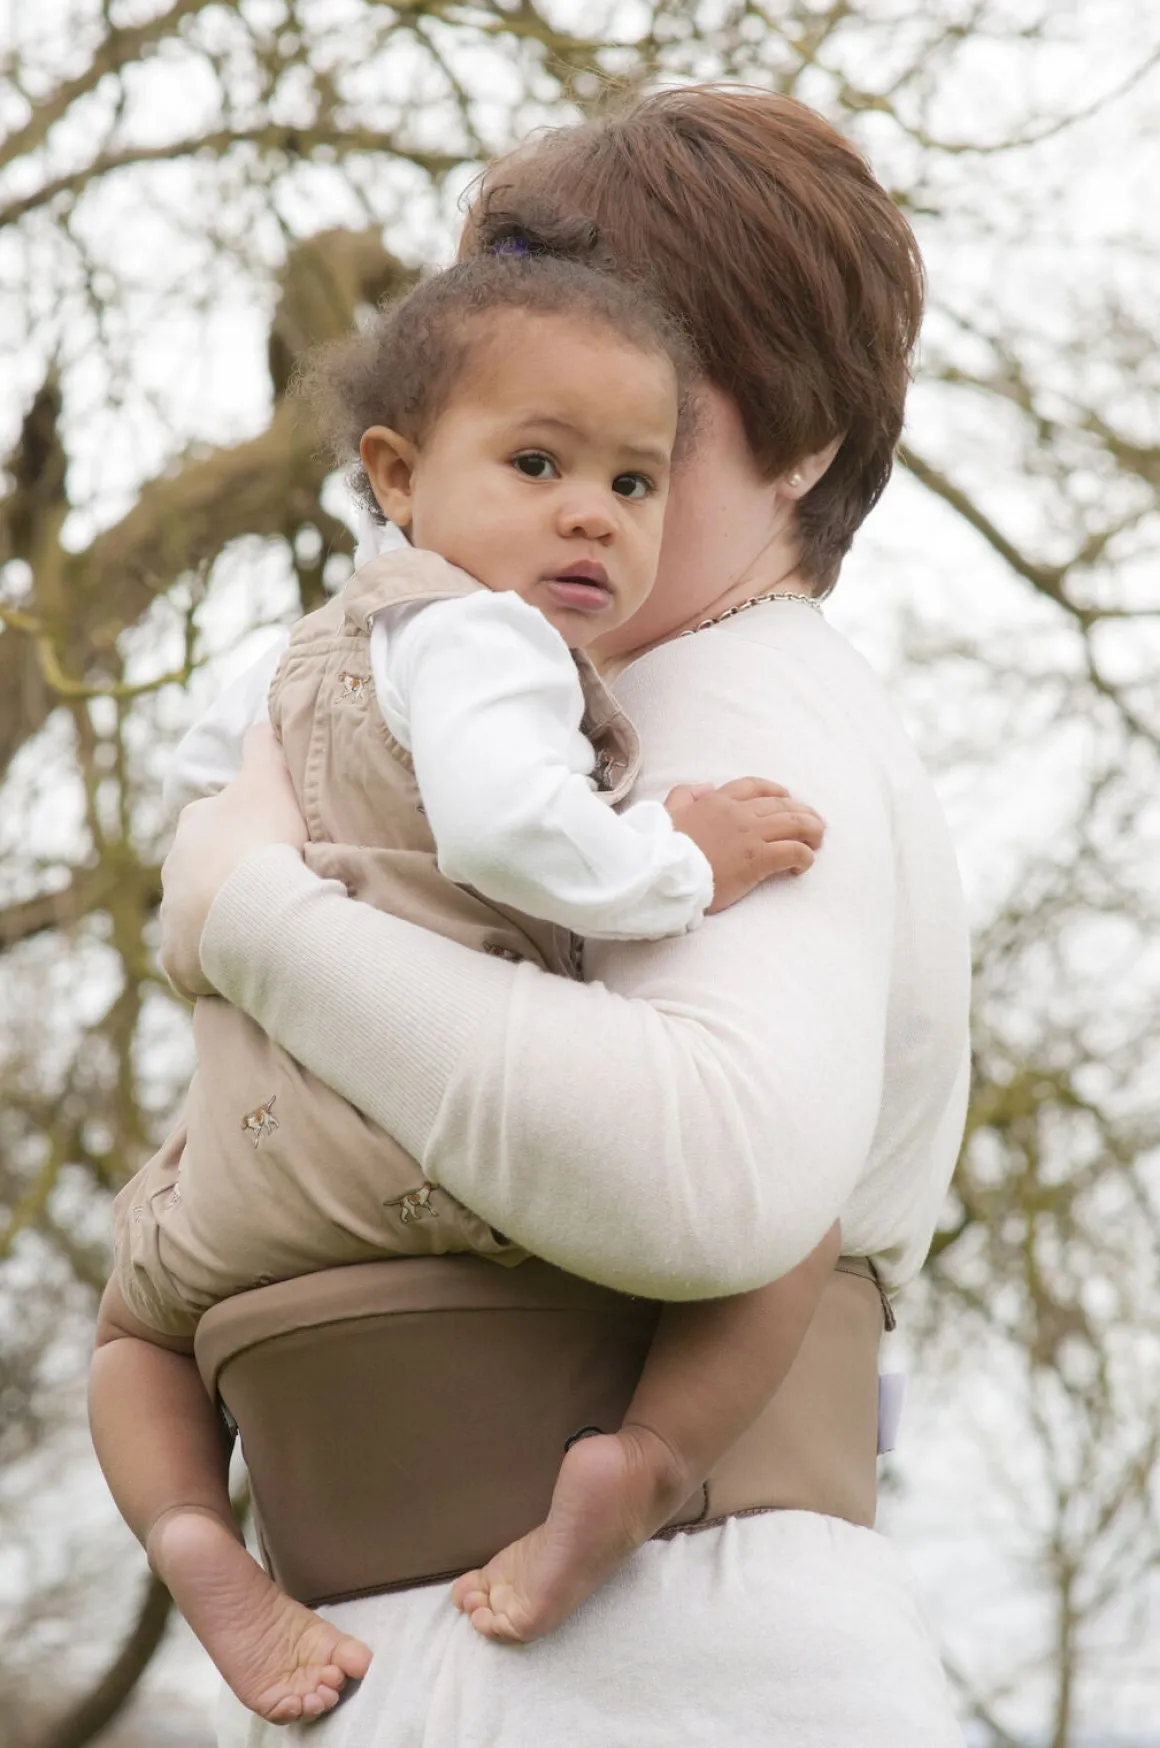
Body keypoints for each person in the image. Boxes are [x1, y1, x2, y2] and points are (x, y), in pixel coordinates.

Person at [153, 85, 972, 1748]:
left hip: (665, 1659)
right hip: (488, 1654)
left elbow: (713, 1174)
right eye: (526, 426)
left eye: (645, 427)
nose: (582, 495)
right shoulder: (543, 704)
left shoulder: (745, 701)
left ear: (802, 444)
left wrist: (257, 918)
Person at [89, 234, 836, 1724]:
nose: (591, 513)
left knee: (131, 1336)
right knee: (793, 1200)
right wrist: (681, 857)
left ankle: (190, 1536)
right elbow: (507, 828)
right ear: (395, 475)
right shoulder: (491, 641)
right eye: (537, 463)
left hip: (238, 1178)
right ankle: (643, 1467)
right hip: (432, 1163)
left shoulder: (284, 661)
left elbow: (201, 818)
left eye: (634, 484)